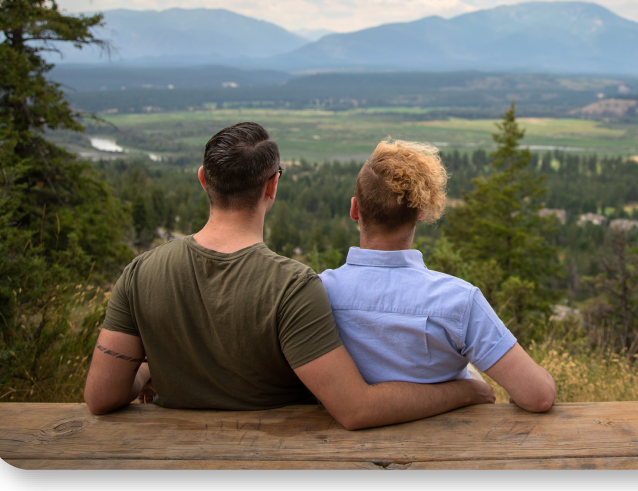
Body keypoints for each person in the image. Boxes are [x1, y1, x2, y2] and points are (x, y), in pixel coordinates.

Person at [83, 122, 495, 430]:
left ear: (203, 180)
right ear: (272, 186)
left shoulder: (140, 273)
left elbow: (101, 397)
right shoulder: (292, 287)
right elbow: (355, 409)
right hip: (272, 458)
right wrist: (466, 389)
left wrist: (151, 367)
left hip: (170, 458)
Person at [318, 139, 557, 412]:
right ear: (421, 212)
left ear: (354, 210)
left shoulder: (317, 292)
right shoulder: (459, 301)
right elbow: (538, 395)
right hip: (443, 448)